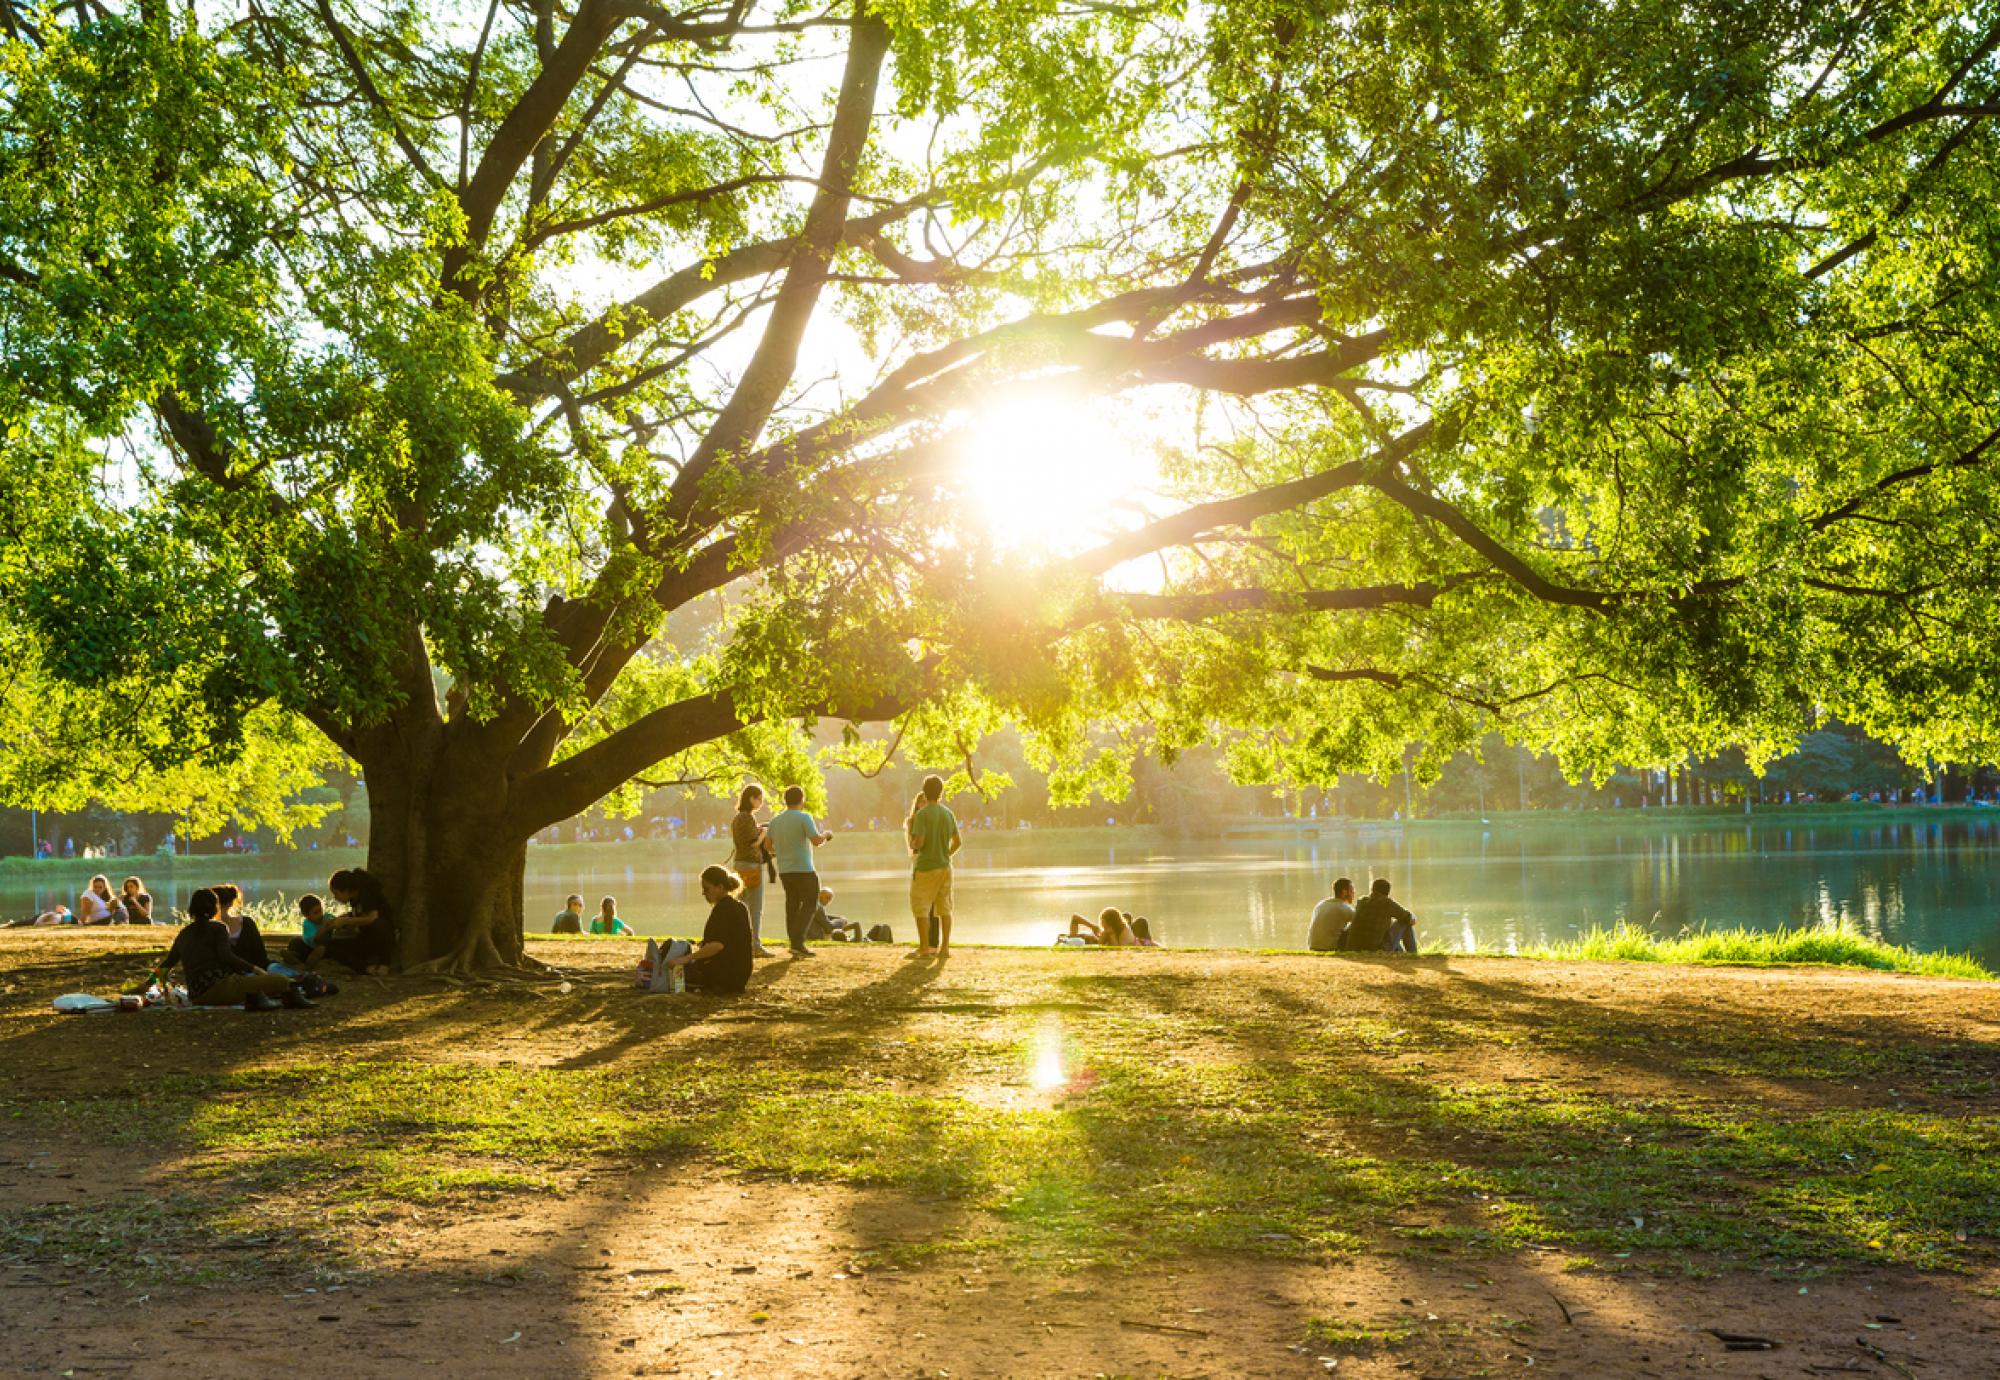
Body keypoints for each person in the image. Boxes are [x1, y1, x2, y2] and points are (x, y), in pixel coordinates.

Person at [151, 888, 311, 1010]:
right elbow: (226, 957)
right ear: (215, 908)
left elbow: (167, 964)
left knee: (253, 983)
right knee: (280, 981)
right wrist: (255, 968)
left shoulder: (184, 934)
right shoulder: (218, 928)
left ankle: (261, 997)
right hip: (223, 987)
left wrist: (147, 985)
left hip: (197, 995)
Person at [656, 866, 754, 995]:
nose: (704, 893)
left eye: (707, 889)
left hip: (724, 977)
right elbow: (733, 939)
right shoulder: (740, 906)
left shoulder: (722, 910)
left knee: (675, 966)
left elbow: (717, 945)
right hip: (740, 975)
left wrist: (686, 959)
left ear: (720, 887)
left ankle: (678, 991)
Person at [765, 784, 833, 958]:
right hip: (804, 869)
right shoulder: (804, 817)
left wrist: (781, 852)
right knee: (810, 904)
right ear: (801, 800)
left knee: (792, 904)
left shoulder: (775, 821)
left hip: (785, 871)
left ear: (785, 801)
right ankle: (798, 941)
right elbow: (816, 841)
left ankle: (794, 942)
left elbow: (767, 846)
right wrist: (826, 835)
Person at [907, 775, 960, 957]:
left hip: (926, 867)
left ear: (925, 791)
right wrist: (946, 854)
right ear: (941, 792)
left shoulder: (922, 815)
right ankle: (944, 948)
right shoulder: (948, 813)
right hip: (945, 866)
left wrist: (913, 843)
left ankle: (924, 948)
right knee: (944, 907)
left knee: (920, 906)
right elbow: (958, 842)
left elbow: (920, 843)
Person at [731, 783, 776, 957]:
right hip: (750, 866)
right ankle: (755, 945)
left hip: (740, 865)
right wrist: (764, 832)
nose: (761, 803)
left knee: (740, 906)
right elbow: (754, 843)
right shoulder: (747, 817)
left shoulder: (738, 818)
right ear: (751, 799)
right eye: (759, 799)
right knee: (755, 907)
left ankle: (740, 943)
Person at [321, 868, 394, 975]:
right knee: (330, 946)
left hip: (380, 939)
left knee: (379, 924)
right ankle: (366, 968)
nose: (335, 897)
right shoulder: (354, 900)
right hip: (364, 939)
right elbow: (359, 914)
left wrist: (345, 921)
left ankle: (385, 964)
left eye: (336, 893)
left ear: (346, 890)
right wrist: (341, 919)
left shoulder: (367, 895)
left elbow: (372, 918)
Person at [1341, 878, 1419, 954]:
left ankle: (1403, 953)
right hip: (1374, 950)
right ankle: (1413, 954)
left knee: (1393, 926)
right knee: (1404, 923)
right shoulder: (1386, 902)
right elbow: (1408, 918)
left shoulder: (1361, 901)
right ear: (1387, 892)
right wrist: (1413, 918)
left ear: (1372, 890)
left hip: (1355, 948)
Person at [1308, 877, 1357, 952]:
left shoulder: (1321, 904)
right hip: (1328, 948)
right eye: (1352, 890)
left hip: (1312, 946)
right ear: (1344, 892)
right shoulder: (1345, 908)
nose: (1354, 893)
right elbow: (1360, 923)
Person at [1065, 908, 1138, 946]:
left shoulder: (1124, 932)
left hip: (1096, 942)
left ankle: (1069, 939)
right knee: (1075, 921)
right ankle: (1070, 939)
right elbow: (1075, 917)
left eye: (1103, 922)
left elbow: (1118, 951)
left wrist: (1111, 934)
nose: (1102, 924)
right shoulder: (1110, 930)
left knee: (1078, 937)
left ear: (1110, 922)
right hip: (1092, 940)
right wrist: (1092, 927)